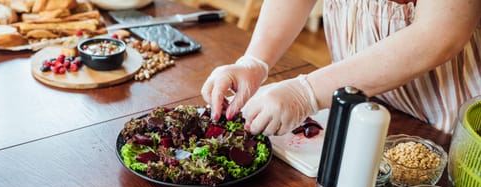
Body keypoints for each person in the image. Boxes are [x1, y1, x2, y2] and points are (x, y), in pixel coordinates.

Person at [201, 0, 481, 136]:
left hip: (443, 120)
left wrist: (306, 92)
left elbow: (439, 34)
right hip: (362, 96)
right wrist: (255, 60)